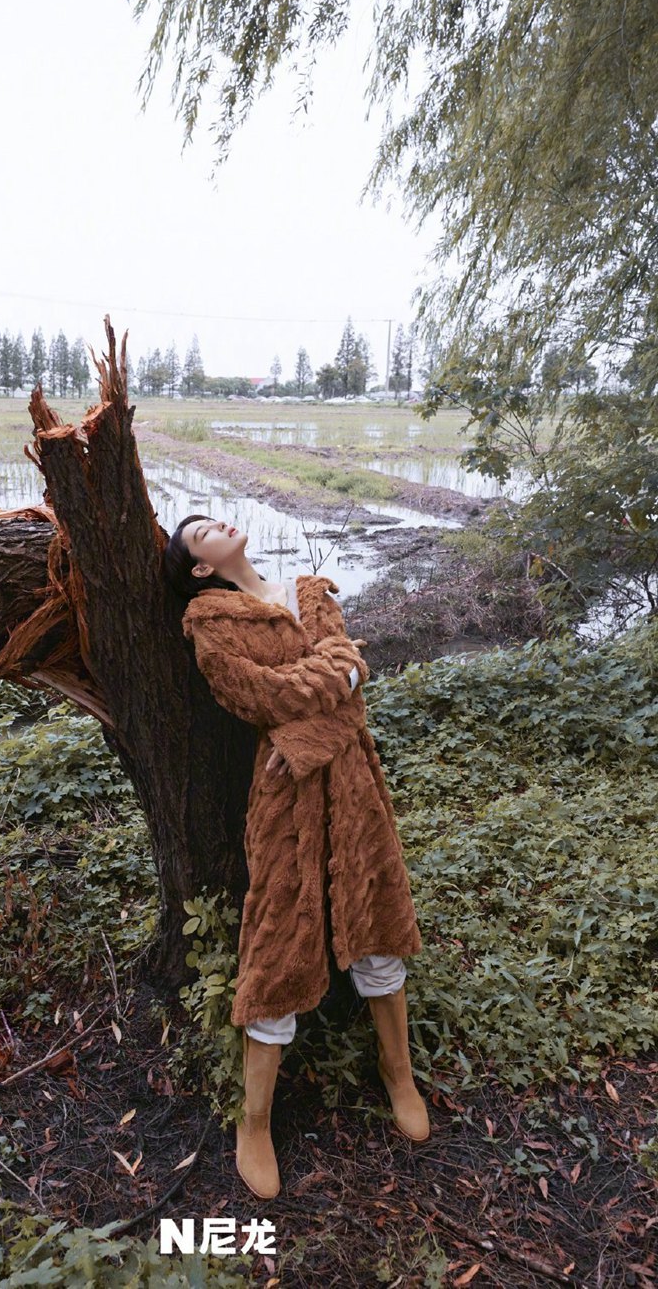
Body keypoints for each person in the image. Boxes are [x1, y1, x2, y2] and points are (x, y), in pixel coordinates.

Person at [163, 514, 430, 1201]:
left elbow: (353, 678)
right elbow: (262, 697)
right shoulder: (211, 623)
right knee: (279, 935)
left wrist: (315, 716)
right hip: (284, 796)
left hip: (355, 783)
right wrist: (336, 677)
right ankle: (254, 1121)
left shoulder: (311, 592)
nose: (217, 522)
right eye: (200, 532)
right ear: (201, 568)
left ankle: (398, 1072)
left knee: (375, 911)